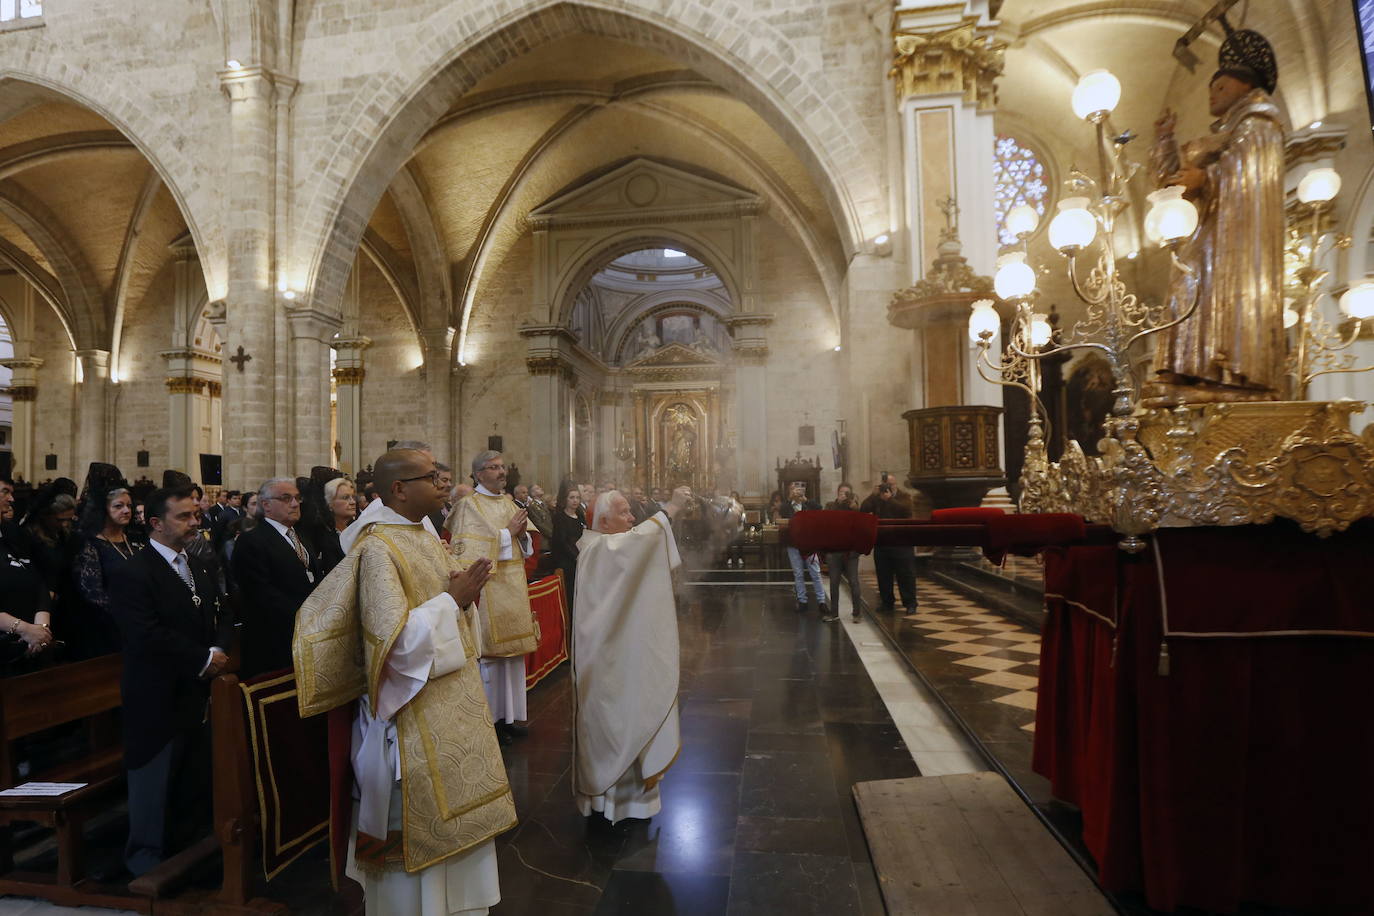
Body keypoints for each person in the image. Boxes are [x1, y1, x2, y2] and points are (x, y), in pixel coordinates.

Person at [294, 448, 515, 915]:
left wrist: (464, 600)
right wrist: (452, 601)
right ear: (398, 489)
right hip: (414, 717)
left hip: (450, 702)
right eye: (431, 477)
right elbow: (388, 648)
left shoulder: (424, 535)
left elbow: (447, 612)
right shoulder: (378, 548)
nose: (442, 483)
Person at [1146, 26, 1285, 406]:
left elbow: (1250, 175)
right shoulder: (1225, 131)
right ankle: (1191, 372)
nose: (1212, 94)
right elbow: (1170, 183)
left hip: (1232, 241)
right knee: (1184, 289)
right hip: (1204, 227)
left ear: (1245, 86)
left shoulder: (1259, 123)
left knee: (1198, 288)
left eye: (1220, 87)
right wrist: (1165, 142)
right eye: (1211, 87)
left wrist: (1207, 178)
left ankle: (1226, 373)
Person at [107, 486, 232, 876]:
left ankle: (187, 856)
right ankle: (146, 865)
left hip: (194, 692)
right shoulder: (134, 571)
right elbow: (145, 633)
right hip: (155, 694)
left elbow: (219, 611)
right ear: (156, 523)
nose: (195, 523)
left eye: (196, 515)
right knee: (154, 784)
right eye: (184, 517)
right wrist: (203, 658)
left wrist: (218, 648)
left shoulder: (195, 565)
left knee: (191, 779)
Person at [572, 486, 689, 823]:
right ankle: (608, 805)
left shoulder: (603, 546)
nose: (632, 518)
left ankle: (629, 802)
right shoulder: (601, 549)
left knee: (629, 717)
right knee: (614, 723)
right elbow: (639, 542)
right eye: (624, 512)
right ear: (604, 522)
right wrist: (671, 508)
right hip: (607, 665)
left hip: (621, 655)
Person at [446, 451, 538, 745]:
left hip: (513, 588)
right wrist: (507, 533)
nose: (501, 472)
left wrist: (521, 535)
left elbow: (527, 545)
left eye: (502, 467)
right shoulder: (467, 507)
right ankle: (492, 722)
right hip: (489, 591)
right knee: (493, 662)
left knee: (512, 662)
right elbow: (467, 554)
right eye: (494, 468)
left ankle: (509, 718)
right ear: (478, 474)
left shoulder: (510, 502)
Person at [232, 477, 320, 677]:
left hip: (305, 636)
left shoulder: (301, 537)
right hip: (273, 641)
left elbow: (312, 578)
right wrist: (305, 616)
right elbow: (261, 593)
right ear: (266, 505)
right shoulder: (252, 541)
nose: (295, 504)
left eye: (297, 498)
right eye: (286, 498)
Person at [72, 481, 146, 657]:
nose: (127, 510)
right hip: (108, 627)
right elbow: (93, 593)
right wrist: (131, 613)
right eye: (118, 506)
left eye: (129, 505)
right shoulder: (91, 545)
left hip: (140, 623)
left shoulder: (134, 540)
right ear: (104, 509)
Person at [0, 476, 57, 675]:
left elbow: (38, 580)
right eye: (4, 492)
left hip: (30, 648)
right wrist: (24, 629)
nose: (12, 499)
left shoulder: (14, 534)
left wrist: (41, 629)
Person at [860, 479, 917, 614]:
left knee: (905, 575)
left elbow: (906, 511)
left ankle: (910, 603)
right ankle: (887, 603)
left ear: (895, 484)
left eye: (890, 484)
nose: (887, 487)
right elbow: (863, 510)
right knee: (883, 575)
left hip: (902, 543)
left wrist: (890, 499)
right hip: (882, 542)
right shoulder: (877, 499)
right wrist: (872, 495)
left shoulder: (905, 497)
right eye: (885, 485)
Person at [779, 481, 832, 621]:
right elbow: (782, 512)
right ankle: (802, 601)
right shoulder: (787, 506)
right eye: (793, 489)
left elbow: (819, 509)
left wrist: (805, 500)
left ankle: (821, 602)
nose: (797, 491)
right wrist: (790, 499)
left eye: (799, 488)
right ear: (790, 491)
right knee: (798, 573)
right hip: (793, 543)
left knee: (815, 572)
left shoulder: (809, 504)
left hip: (809, 543)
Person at [824, 483, 864, 622]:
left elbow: (860, 524)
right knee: (834, 583)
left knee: (853, 582)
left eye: (847, 493)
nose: (844, 495)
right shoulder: (830, 505)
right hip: (834, 551)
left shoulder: (854, 508)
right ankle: (833, 613)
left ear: (851, 495)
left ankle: (857, 614)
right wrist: (840, 504)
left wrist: (855, 508)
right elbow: (827, 521)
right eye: (842, 492)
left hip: (850, 551)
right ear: (837, 492)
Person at [550, 480, 585, 612]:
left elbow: (584, 536)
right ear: (566, 499)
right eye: (572, 498)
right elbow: (563, 542)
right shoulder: (560, 517)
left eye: (577, 497)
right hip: (567, 562)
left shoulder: (580, 516)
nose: (575, 500)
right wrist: (577, 557)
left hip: (580, 558)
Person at [315, 477, 356, 577]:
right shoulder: (323, 537)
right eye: (345, 498)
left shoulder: (359, 529)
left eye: (353, 497)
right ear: (330, 504)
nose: (353, 502)